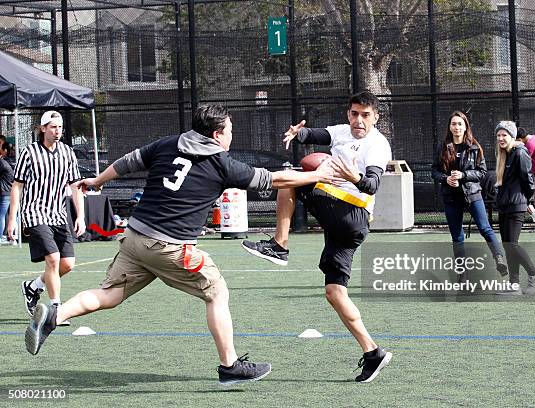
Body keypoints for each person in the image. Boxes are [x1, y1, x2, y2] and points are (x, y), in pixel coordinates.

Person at [24, 104, 341, 386]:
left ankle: (55, 315)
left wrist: (97, 181)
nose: (232, 136)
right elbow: (275, 180)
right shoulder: (222, 163)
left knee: (109, 294)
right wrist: (320, 174)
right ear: (217, 134)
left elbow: (127, 162)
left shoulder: (169, 143)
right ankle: (229, 365)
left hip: (135, 238)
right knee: (217, 292)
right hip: (171, 247)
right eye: (230, 131)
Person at [242, 91, 393, 383]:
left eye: (365, 115)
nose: (358, 120)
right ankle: (373, 352)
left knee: (290, 180)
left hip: (352, 213)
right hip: (343, 223)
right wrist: (297, 133)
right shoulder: (340, 132)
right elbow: (315, 134)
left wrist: (354, 178)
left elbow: (372, 185)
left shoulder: (377, 146)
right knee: (335, 293)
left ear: (376, 117)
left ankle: (279, 246)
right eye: (354, 114)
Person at [6, 111, 85, 317]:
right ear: (43, 129)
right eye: (53, 127)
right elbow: (17, 186)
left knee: (67, 264)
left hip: (58, 215)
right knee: (53, 258)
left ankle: (33, 287)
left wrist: (81, 217)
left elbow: (76, 186)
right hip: (35, 214)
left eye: (60, 127)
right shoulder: (29, 152)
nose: (57, 131)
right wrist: (12, 219)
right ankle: (56, 309)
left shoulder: (67, 153)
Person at [431, 111, 507, 282]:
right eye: (453, 124)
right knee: (457, 236)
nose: (457, 127)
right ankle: (462, 275)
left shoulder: (474, 147)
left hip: (472, 194)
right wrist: (446, 179)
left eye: (460, 124)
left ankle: (499, 259)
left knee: (485, 228)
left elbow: (481, 172)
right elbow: (434, 171)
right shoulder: (443, 147)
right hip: (451, 198)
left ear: (465, 126)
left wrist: (463, 175)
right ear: (449, 127)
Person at [494, 121, 535, 295]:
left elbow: (527, 180)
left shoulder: (520, 152)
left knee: (512, 244)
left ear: (512, 136)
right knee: (507, 246)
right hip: (505, 206)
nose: (501, 138)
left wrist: (526, 201)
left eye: (504, 135)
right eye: (498, 135)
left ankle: (534, 274)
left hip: (517, 205)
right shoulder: (503, 154)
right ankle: (514, 285)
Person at [0, 140, 14, 243]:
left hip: (5, 192)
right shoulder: (10, 162)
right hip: (11, 192)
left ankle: (1, 236)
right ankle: (13, 236)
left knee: (2, 215)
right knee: (12, 215)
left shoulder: (3, 162)